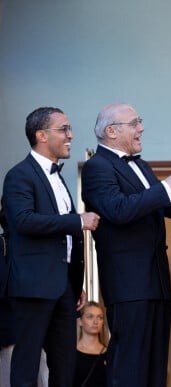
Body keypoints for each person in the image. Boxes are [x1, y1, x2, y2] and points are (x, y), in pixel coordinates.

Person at [81, 103, 171, 386]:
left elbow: (166, 207)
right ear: (111, 131)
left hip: (156, 281)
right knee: (129, 365)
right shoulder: (97, 167)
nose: (141, 128)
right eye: (134, 123)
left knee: (155, 367)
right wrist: (167, 186)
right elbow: (119, 210)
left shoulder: (140, 165)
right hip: (129, 284)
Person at [1, 107, 100, 386]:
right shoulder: (19, 175)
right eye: (64, 129)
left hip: (63, 289)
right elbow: (23, 221)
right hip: (32, 287)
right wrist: (76, 220)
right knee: (27, 364)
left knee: (64, 365)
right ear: (41, 135)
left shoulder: (56, 177)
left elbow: (62, 241)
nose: (70, 135)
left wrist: (73, 282)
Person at [74, 301, 107, 387]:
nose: (96, 321)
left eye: (100, 317)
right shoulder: (70, 353)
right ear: (80, 321)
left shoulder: (110, 353)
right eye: (90, 317)